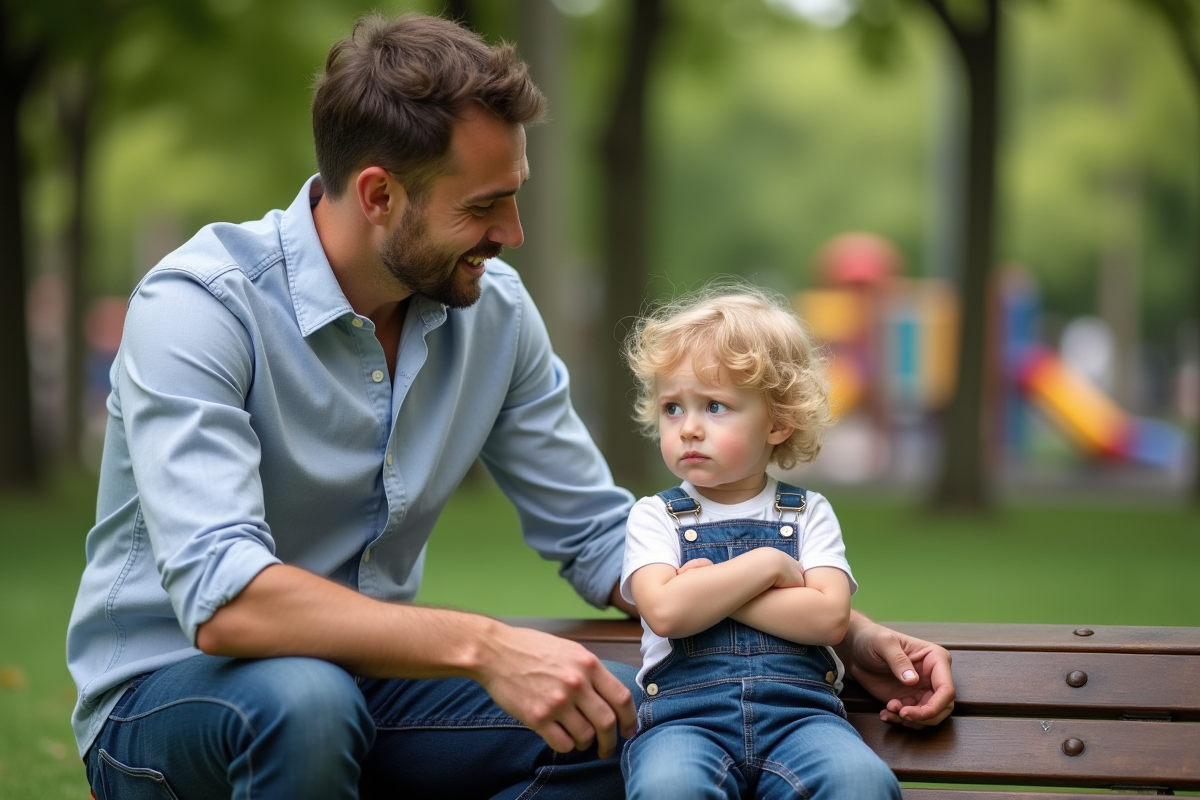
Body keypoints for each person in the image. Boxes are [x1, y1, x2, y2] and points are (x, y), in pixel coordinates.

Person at [66, 12, 953, 800]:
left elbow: (599, 536)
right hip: (172, 698)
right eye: (485, 205)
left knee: (634, 730)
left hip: (368, 684)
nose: (512, 234)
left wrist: (849, 629)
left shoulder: (492, 311)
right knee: (303, 698)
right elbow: (227, 605)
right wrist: (485, 646)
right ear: (379, 195)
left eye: (515, 194)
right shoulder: (198, 306)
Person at [619, 286, 903, 798]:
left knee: (862, 781)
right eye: (672, 408)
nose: (688, 429)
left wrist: (708, 588)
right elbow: (664, 611)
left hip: (801, 720)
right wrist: (769, 565)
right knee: (668, 785)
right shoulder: (654, 516)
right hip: (686, 724)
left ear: (778, 422)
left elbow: (828, 618)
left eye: (714, 405)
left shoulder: (808, 512)